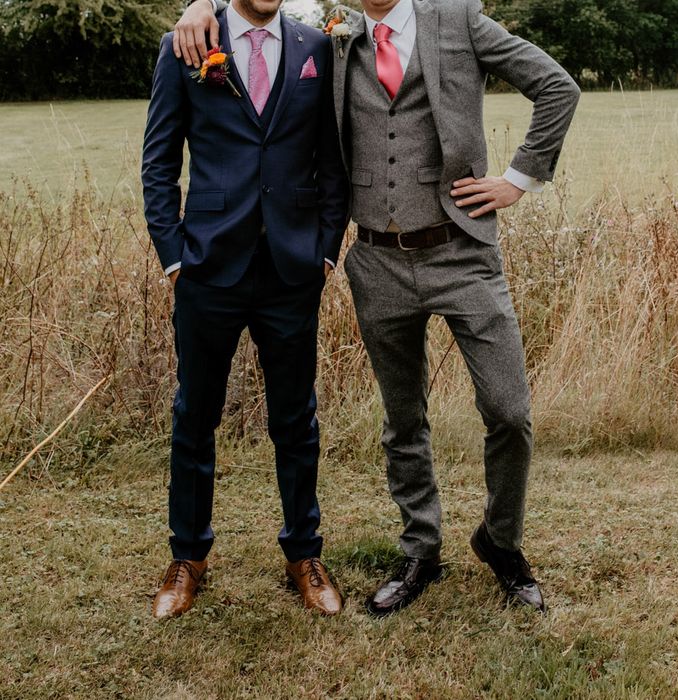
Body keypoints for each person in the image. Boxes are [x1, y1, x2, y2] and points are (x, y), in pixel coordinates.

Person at [175, 0, 580, 616]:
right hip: (378, 261)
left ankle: (501, 544)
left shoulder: (459, 20)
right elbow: (249, 28)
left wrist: (518, 179)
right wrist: (198, 5)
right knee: (402, 420)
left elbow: (556, 86)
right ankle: (420, 548)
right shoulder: (338, 42)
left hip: (462, 252)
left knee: (509, 411)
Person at [142, 0, 348, 619]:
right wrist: (174, 255)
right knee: (194, 415)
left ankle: (304, 556)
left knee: (296, 419)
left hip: (291, 269)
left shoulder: (316, 49)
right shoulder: (186, 44)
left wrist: (326, 252)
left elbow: (333, 161)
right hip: (208, 265)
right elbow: (159, 160)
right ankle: (188, 558)